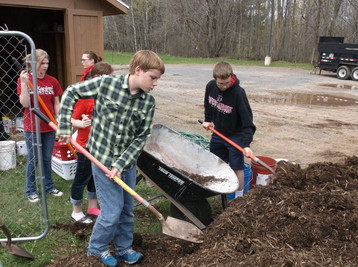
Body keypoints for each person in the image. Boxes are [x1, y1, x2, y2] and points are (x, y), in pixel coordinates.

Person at [56, 50, 165, 266]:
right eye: (152, 78)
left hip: (126, 163)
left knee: (126, 210)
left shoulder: (147, 103)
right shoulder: (106, 84)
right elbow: (71, 92)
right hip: (102, 160)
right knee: (112, 211)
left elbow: (141, 137)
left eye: (157, 79)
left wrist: (121, 164)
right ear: (138, 70)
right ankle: (97, 248)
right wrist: (65, 125)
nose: (155, 84)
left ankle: (124, 248)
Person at [202, 61, 256, 198]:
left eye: (227, 83)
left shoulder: (239, 93)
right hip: (218, 132)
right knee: (216, 161)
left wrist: (246, 144)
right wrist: (208, 119)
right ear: (215, 79)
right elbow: (208, 104)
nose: (224, 86)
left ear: (231, 77)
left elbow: (248, 122)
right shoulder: (211, 86)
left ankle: (238, 197)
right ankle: (219, 189)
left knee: (237, 167)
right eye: (220, 83)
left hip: (235, 135)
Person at [17, 49, 64, 203]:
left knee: (46, 158)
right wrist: (24, 84)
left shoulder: (52, 81)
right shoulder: (25, 79)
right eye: (42, 63)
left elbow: (56, 103)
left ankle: (48, 187)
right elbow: (25, 103)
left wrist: (59, 122)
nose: (45, 66)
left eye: (47, 63)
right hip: (32, 127)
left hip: (49, 127)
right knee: (34, 159)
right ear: (33, 63)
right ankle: (30, 190)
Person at [70, 62, 114, 224]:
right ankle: (76, 211)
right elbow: (71, 118)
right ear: (95, 78)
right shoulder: (85, 98)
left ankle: (92, 207)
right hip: (84, 147)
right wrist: (81, 124)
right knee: (81, 178)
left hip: (99, 147)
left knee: (94, 178)